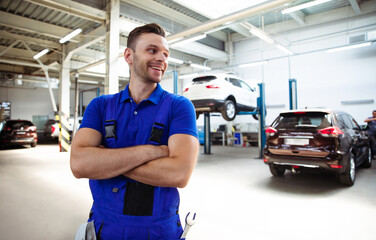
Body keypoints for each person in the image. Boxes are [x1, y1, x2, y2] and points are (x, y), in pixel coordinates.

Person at [70, 23, 199, 240]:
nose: (162, 58)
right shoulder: (100, 106)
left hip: (160, 232)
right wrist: (153, 152)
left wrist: (105, 161)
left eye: (165, 54)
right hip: (104, 229)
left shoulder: (179, 106)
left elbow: (179, 173)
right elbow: (79, 164)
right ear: (129, 56)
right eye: (152, 50)